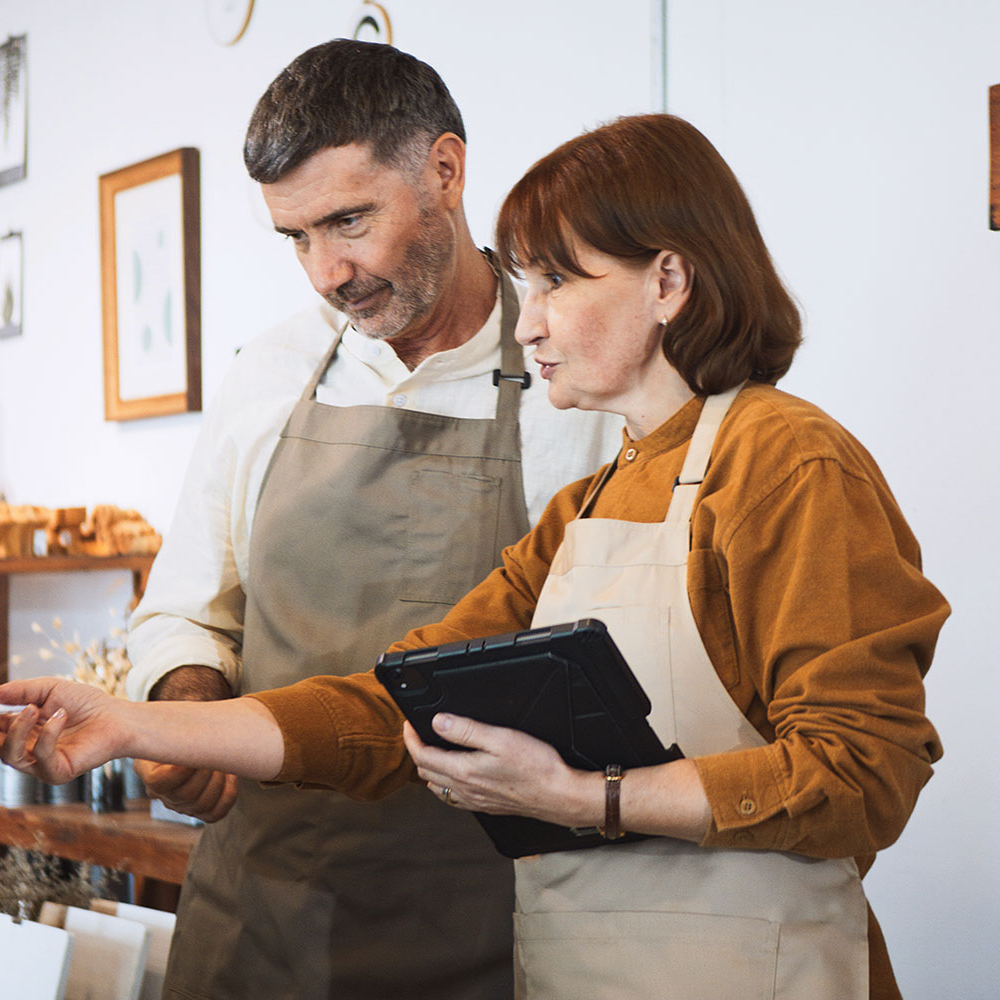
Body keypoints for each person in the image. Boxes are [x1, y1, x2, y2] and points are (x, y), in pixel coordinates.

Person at [0, 114, 946, 1000]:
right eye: (529, 283)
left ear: (668, 281)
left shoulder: (787, 461)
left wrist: (587, 799)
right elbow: (391, 702)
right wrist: (132, 726)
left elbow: (864, 771)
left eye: (560, 280)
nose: (526, 321)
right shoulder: (591, 501)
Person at [119, 39, 621, 1000]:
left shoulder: (576, 383)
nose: (325, 271)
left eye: (349, 220)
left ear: (445, 169)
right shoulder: (270, 371)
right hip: (259, 921)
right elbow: (185, 608)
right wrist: (186, 710)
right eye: (296, 236)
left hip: (490, 924)